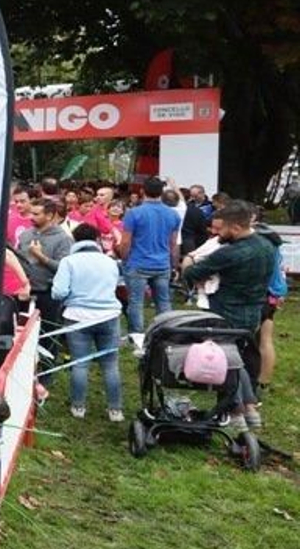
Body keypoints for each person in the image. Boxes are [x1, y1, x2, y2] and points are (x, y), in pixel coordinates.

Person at [181, 201, 278, 424]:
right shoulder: (266, 246)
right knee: (238, 358)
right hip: (253, 311)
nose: (215, 233)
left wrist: (188, 262)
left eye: (220, 229)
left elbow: (192, 274)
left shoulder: (229, 254)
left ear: (235, 227)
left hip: (226, 313)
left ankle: (236, 411)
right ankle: (249, 408)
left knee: (226, 361)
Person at [51, 223, 124, 421]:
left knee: (80, 364)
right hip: (109, 316)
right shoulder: (110, 262)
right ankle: (115, 410)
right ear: (97, 239)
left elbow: (58, 292)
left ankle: (78, 407)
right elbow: (117, 284)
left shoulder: (69, 261)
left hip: (77, 316)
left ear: (75, 240)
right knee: (110, 365)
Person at [117, 176, 181, 334]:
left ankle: (137, 336)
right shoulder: (173, 215)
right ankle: (166, 333)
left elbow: (125, 242)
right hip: (162, 264)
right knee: (163, 302)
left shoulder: (133, 213)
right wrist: (174, 265)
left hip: (138, 263)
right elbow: (173, 244)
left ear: (142, 191)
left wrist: (124, 258)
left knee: (136, 302)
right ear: (162, 192)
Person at [15, 199, 74, 326]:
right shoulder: (25, 235)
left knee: (48, 331)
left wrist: (41, 257)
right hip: (24, 292)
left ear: (49, 216)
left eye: (36, 214)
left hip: (48, 294)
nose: (31, 217)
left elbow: (64, 269)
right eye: (31, 213)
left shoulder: (63, 239)